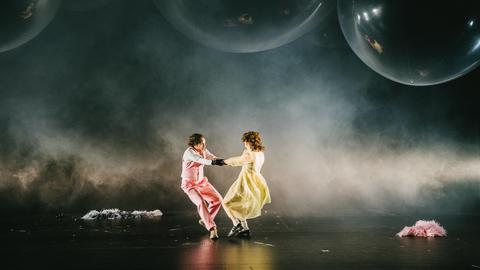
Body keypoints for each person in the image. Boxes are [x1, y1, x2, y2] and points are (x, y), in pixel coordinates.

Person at [222, 131, 271, 238]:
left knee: (226, 203)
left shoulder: (250, 154)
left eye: (245, 141)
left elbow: (237, 161)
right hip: (256, 181)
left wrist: (222, 161)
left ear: (249, 142)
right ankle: (245, 229)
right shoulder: (260, 153)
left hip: (247, 182)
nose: (244, 143)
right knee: (240, 207)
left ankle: (236, 224)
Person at [181, 133, 225, 240]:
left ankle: (205, 220)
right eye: (201, 143)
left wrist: (225, 161)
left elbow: (212, 157)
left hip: (202, 183)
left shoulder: (204, 150)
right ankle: (212, 228)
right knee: (200, 202)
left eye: (204, 143)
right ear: (195, 144)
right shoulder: (189, 153)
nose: (204, 145)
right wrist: (214, 162)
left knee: (217, 199)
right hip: (189, 185)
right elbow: (200, 160)